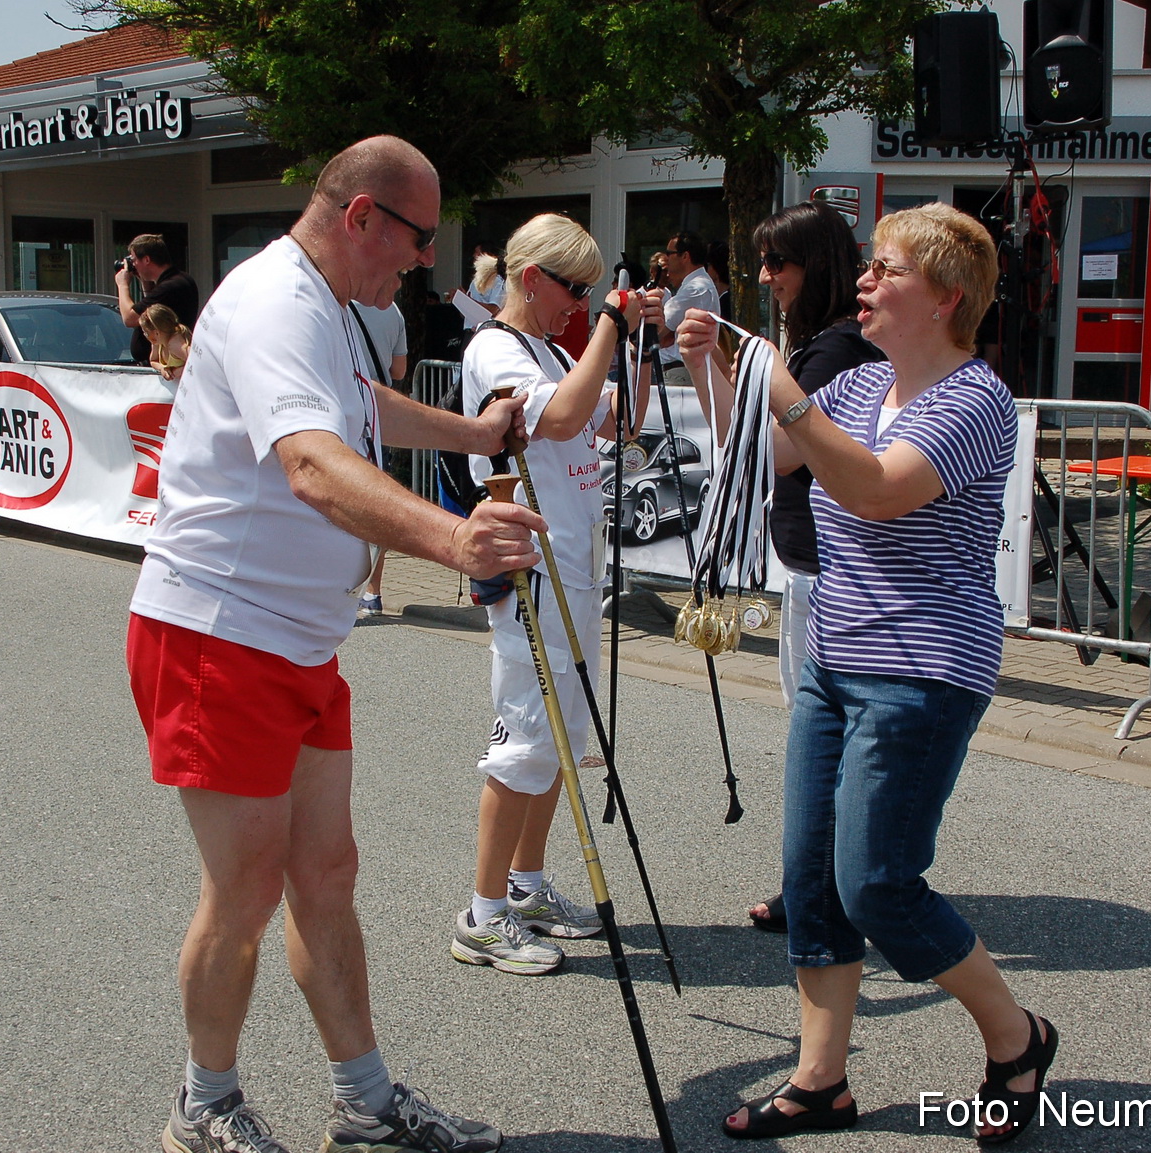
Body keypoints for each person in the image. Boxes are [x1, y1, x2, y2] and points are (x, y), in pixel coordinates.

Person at [127, 135, 541, 1153]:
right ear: (361, 216)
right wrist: (456, 538)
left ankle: (364, 1102)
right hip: (220, 633)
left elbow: (360, 407)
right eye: (417, 238)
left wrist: (472, 435)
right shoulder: (278, 301)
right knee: (246, 890)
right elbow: (312, 463)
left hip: (296, 642)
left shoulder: (329, 303)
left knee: (327, 874)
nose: (426, 262)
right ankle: (203, 1106)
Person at [678, 202, 1057, 1146]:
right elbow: (765, 453)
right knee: (811, 881)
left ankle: (1016, 1035)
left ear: (947, 296)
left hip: (923, 670)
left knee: (877, 883)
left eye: (887, 269)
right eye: (870, 266)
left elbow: (877, 490)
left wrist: (781, 388)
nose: (865, 280)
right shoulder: (857, 385)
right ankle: (821, 1080)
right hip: (834, 661)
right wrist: (709, 368)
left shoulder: (974, 400)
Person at [451, 213, 661, 976]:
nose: (580, 304)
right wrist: (609, 323)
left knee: (563, 743)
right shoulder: (494, 349)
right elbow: (564, 415)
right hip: (530, 567)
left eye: (589, 292)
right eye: (574, 288)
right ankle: (482, 916)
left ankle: (527, 885)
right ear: (532, 277)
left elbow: (620, 421)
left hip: (573, 568)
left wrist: (639, 341)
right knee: (523, 742)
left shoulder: (551, 347)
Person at [741, 202, 884, 936]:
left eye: (779, 263)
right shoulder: (829, 344)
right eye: (763, 263)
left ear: (816, 265)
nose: (767, 278)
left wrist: (749, 371)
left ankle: (825, 890)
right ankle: (831, 883)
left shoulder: (832, 351)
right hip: (818, 561)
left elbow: (771, 452)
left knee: (822, 737)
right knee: (826, 733)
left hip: (826, 569)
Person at [349, 299, 409, 617]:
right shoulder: (394, 310)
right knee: (376, 502)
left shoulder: (339, 304)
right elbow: (399, 370)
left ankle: (341, 584)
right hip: (378, 416)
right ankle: (373, 590)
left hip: (345, 413)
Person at [116, 233, 199, 367]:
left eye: (134, 259)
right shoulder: (180, 279)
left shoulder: (169, 287)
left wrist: (122, 285)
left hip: (169, 366)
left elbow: (129, 318)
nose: (133, 265)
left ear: (146, 259)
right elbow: (152, 308)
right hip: (164, 364)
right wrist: (145, 282)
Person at [656, 230, 720, 388]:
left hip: (680, 373)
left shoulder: (695, 288)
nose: (666, 259)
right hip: (681, 370)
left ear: (685, 256)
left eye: (669, 253)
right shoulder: (698, 285)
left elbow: (657, 330)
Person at [139, 303, 192, 381]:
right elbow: (153, 360)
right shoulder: (157, 343)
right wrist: (162, 368)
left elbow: (198, 360)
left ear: (157, 333)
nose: (145, 336)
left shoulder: (175, 345)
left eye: (146, 333)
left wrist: (176, 372)